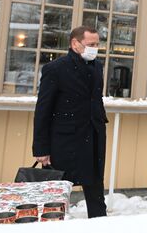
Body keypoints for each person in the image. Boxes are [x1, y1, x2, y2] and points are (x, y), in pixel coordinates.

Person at [33, 26, 108, 218]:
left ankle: (100, 226)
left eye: (97, 44)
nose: (95, 48)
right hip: (65, 141)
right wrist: (41, 148)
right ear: (75, 44)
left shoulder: (97, 66)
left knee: (96, 193)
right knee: (55, 196)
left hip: (93, 139)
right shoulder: (55, 69)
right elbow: (43, 110)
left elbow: (95, 99)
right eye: (91, 44)